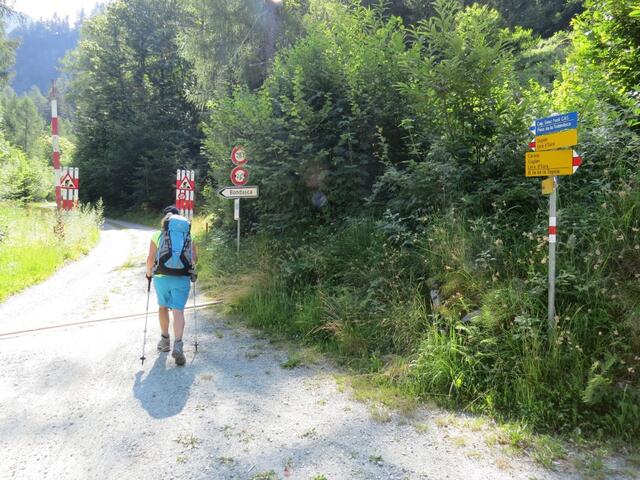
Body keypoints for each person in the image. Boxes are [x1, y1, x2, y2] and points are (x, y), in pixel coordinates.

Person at [145, 206, 197, 366]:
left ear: (165, 220)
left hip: (162, 277)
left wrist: (148, 274)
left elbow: (150, 259)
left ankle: (165, 341)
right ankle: (178, 345)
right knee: (178, 310)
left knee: (162, 307)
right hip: (181, 277)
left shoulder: (157, 235)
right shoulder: (189, 235)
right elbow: (194, 259)